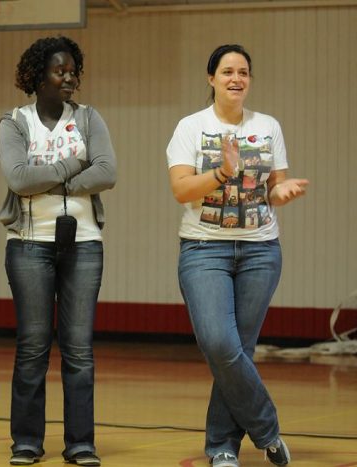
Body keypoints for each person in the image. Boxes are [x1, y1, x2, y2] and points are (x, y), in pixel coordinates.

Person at [166, 44, 309, 467]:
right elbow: (181, 190)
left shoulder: (267, 126)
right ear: (211, 78)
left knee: (239, 352)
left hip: (260, 251)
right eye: (227, 71)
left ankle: (222, 447)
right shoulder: (191, 127)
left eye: (243, 72)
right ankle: (267, 430)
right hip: (204, 249)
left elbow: (273, 188)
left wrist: (280, 192)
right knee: (220, 344)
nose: (236, 78)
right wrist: (222, 172)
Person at [0, 36, 116, 466]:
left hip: (84, 244)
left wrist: (54, 179)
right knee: (32, 346)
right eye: (59, 71)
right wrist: (72, 167)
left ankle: (81, 443)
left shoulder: (88, 118)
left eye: (72, 71)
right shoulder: (14, 122)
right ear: (37, 76)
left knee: (79, 349)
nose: (69, 78)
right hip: (28, 245)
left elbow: (108, 171)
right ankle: (26, 442)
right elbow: (18, 179)